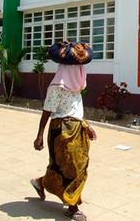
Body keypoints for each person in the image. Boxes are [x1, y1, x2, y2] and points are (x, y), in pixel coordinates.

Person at [31, 63, 96, 221]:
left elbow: (76, 109)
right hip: (61, 132)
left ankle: (40, 182)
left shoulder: (77, 87)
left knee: (79, 166)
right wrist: (39, 136)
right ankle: (73, 207)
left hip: (78, 131)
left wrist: (87, 125)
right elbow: (47, 111)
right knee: (70, 169)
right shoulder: (56, 87)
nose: (81, 71)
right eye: (78, 68)